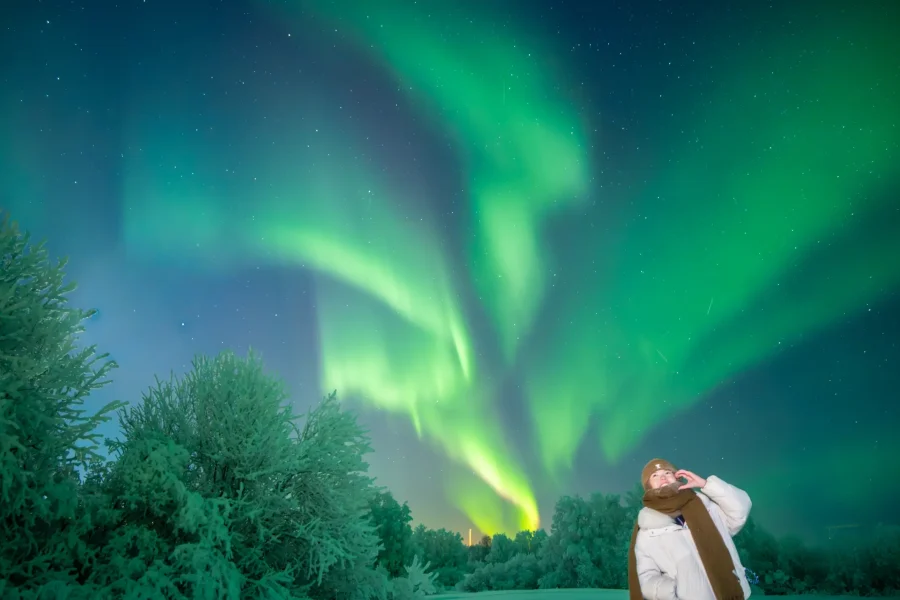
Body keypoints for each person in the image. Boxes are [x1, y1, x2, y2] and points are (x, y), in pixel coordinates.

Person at [628, 458, 753, 600]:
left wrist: (706, 484)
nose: (662, 477)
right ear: (648, 485)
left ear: (677, 477)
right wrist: (669, 591)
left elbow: (740, 509)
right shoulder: (647, 528)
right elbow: (645, 576)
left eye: (667, 472)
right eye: (655, 475)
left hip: (733, 594)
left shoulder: (706, 506)